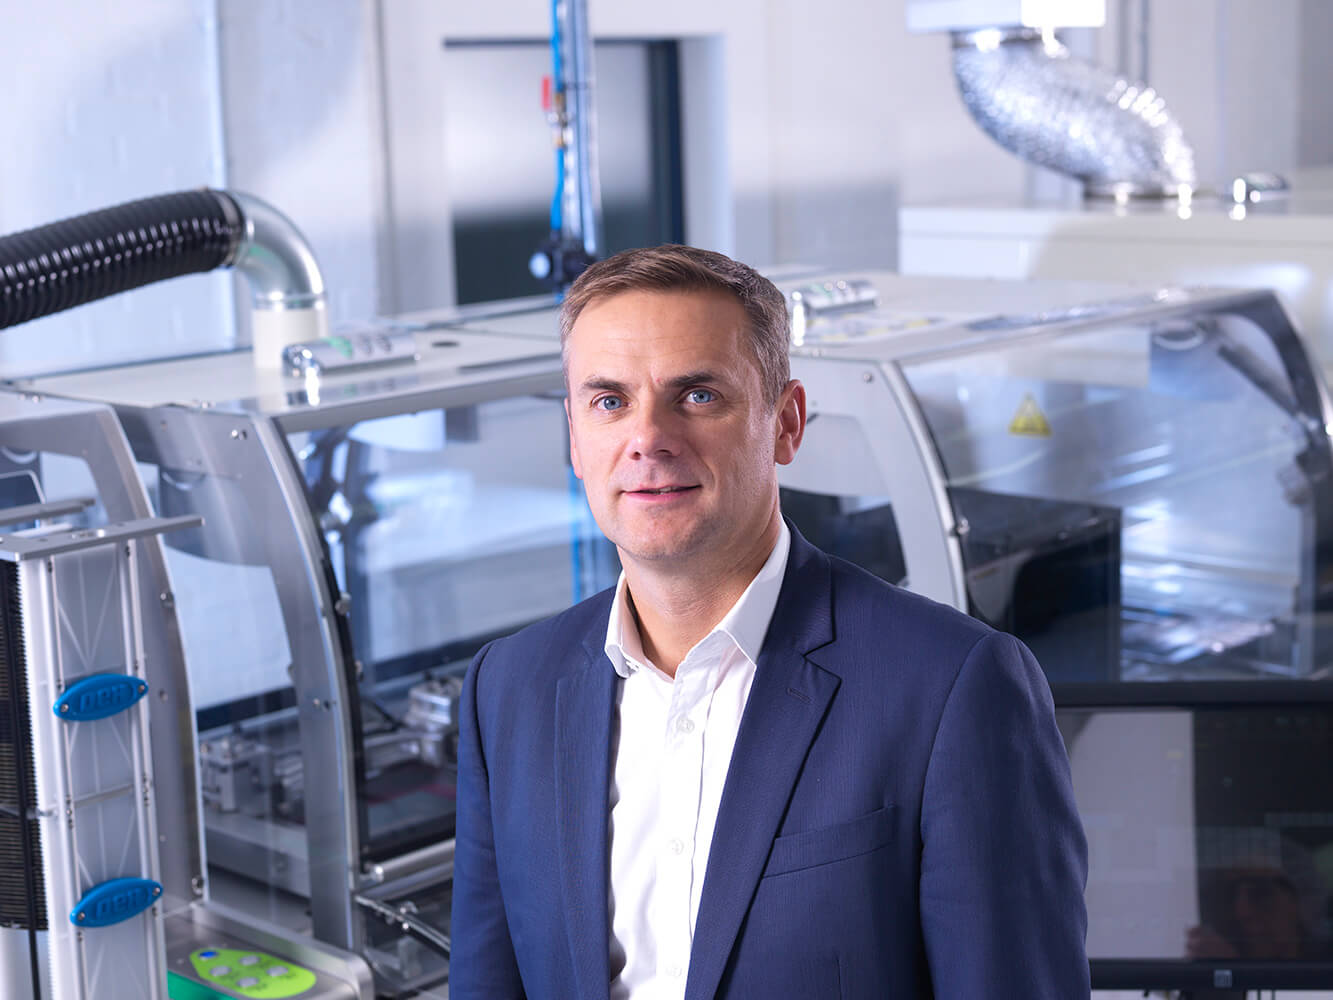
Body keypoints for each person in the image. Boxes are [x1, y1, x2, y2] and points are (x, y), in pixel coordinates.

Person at [450, 244, 1089, 999]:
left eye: (697, 396)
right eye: (609, 401)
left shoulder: (952, 688)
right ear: (575, 437)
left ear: (785, 423)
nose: (647, 438)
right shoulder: (509, 688)